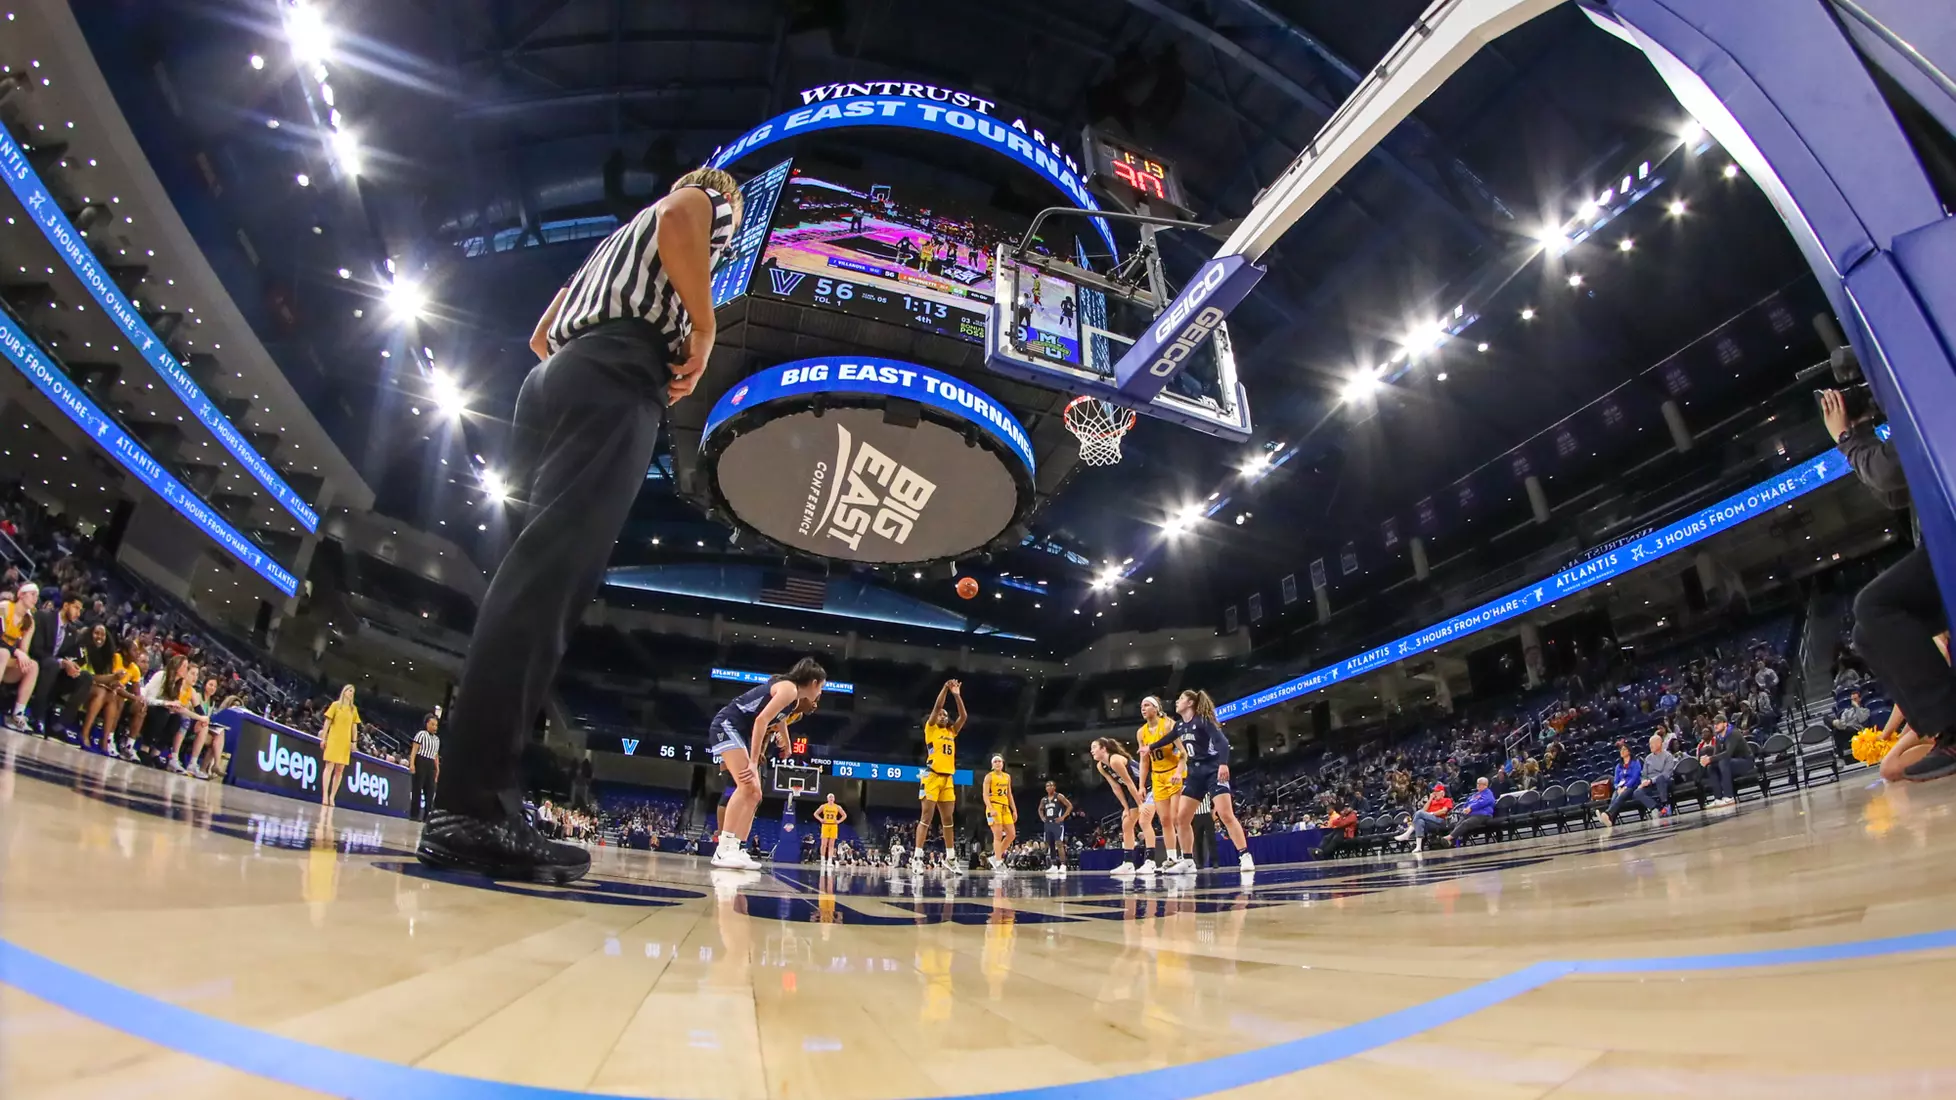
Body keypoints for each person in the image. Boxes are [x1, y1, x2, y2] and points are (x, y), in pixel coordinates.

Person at [420, 168, 744, 884]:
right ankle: (472, 807)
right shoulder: (707, 199)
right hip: (615, 372)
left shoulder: (607, 247)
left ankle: (470, 798)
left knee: (521, 585)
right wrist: (703, 322)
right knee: (545, 592)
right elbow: (683, 219)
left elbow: (544, 331)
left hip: (556, 374)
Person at [1822, 388, 1956, 781]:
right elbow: (1894, 492)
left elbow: (1887, 472)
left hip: (1948, 541)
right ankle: (1942, 729)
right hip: (1941, 543)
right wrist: (1860, 433)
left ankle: (1953, 724)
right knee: (1866, 635)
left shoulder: (1926, 400)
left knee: (1873, 605)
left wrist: (1848, 439)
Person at [704, 657, 826, 869]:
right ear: (814, 682)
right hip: (728, 725)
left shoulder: (794, 699)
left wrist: (786, 742)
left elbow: (777, 719)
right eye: (821, 687)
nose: (821, 693)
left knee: (756, 794)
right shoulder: (789, 689)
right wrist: (752, 762)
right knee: (746, 786)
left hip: (741, 731)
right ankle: (723, 849)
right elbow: (761, 720)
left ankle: (737, 847)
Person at [913, 680, 966, 872]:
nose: (944, 715)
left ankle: (951, 858)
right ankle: (917, 858)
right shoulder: (931, 728)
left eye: (946, 714)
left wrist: (957, 695)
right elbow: (937, 706)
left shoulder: (951, 731)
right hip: (932, 776)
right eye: (941, 714)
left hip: (947, 778)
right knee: (926, 817)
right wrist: (945, 689)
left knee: (948, 820)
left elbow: (964, 716)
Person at [1089, 736, 1153, 876]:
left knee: (1144, 821)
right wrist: (1125, 807)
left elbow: (1129, 782)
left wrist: (1141, 804)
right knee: (1126, 825)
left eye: (1094, 747)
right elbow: (1116, 787)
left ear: (1103, 749)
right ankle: (1128, 863)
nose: (1091, 751)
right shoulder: (1101, 766)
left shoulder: (1115, 760)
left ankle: (1151, 861)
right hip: (1133, 791)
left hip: (1147, 785)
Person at [1141, 695, 1188, 871]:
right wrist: (1141, 786)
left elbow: (1183, 753)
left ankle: (1186, 857)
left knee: (1177, 817)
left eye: (1147, 705)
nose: (1143, 709)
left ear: (1156, 708)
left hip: (1173, 773)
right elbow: (1144, 761)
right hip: (1157, 777)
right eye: (1142, 706)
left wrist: (1178, 772)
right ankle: (1171, 858)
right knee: (1165, 820)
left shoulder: (1169, 725)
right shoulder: (1141, 732)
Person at [0, 581, 40, 730]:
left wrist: (22, 654)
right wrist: (16, 652)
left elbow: (24, 650)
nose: (35, 598)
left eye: (37, 596)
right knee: (3, 653)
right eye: (32, 594)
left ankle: (17, 714)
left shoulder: (29, 622)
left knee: (32, 666)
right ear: (21, 595)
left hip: (5, 661)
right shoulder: (4, 607)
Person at [318, 685, 359, 805]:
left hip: (345, 742)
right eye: (350, 690)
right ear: (344, 692)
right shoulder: (335, 705)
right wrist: (324, 738)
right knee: (329, 766)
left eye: (353, 691)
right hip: (334, 739)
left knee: (339, 770)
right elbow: (327, 722)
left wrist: (354, 742)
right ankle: (325, 795)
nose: (351, 693)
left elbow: (354, 727)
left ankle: (332, 796)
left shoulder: (353, 709)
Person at [1208, 763, 1254, 871]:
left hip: (1213, 771)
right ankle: (1187, 859)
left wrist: (1223, 763)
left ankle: (1244, 853)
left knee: (1227, 816)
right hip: (1194, 770)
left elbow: (1222, 745)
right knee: (1181, 817)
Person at [1699, 718, 1751, 808]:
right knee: (1711, 766)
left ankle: (1729, 796)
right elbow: (1716, 754)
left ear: (1725, 724)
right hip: (1730, 763)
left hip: (1745, 762)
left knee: (1723, 762)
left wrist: (1710, 758)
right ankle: (1718, 798)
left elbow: (1728, 753)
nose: (1715, 725)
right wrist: (1707, 759)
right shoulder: (1719, 737)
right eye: (1714, 723)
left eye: (1718, 723)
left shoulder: (1734, 733)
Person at [1595, 740, 1643, 827]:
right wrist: (1618, 788)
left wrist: (1626, 786)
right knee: (1615, 796)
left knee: (1621, 795)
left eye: (1624, 749)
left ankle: (1607, 814)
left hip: (1632, 787)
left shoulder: (1635, 763)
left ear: (1629, 751)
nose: (1622, 751)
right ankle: (1610, 820)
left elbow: (1635, 777)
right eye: (1621, 750)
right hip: (1621, 788)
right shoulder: (1618, 766)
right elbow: (1616, 781)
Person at [1395, 783, 1454, 852]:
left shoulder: (1447, 800)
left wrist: (1432, 814)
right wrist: (1430, 799)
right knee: (1419, 822)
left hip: (1441, 821)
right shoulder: (1432, 801)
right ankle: (1418, 847)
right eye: (1434, 792)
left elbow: (1444, 811)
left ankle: (1407, 834)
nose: (1435, 793)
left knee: (1419, 813)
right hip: (1431, 823)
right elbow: (1424, 810)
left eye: (1437, 792)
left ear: (1442, 793)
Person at [982, 755, 1016, 873]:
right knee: (998, 836)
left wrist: (1014, 810)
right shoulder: (989, 777)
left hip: (1005, 807)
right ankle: (998, 861)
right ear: (992, 764)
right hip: (994, 806)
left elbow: (1009, 794)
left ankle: (995, 856)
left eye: (999, 761)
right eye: (995, 761)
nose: (997, 763)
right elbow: (985, 795)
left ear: (1003, 763)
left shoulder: (1007, 777)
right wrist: (990, 808)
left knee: (1011, 834)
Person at [1632, 733, 1678, 818]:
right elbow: (1644, 775)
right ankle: (1657, 808)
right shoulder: (1648, 758)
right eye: (1649, 744)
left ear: (1659, 743)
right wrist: (1643, 781)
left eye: (1651, 743)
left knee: (1660, 778)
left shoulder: (1668, 756)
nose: (1650, 746)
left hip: (1665, 782)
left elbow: (1666, 774)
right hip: (1650, 784)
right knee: (1637, 792)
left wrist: (1651, 780)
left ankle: (1665, 804)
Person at [1448, 778, 1499, 845]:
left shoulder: (1488, 794)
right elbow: (1467, 802)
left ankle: (1449, 838)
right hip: (1470, 814)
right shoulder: (1475, 795)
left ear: (1485, 785)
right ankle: (1452, 841)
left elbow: (1482, 802)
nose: (1477, 785)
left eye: (1479, 784)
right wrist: (1465, 808)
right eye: (1477, 783)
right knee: (1459, 823)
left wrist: (1471, 807)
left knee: (1466, 823)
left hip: (1483, 815)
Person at [1037, 781, 1072, 876]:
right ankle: (1053, 866)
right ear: (1045, 788)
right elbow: (1040, 809)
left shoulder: (1059, 796)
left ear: (1055, 787)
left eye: (1051, 785)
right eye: (1047, 785)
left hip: (1057, 823)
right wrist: (1042, 817)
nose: (1049, 787)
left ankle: (1063, 865)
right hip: (1048, 823)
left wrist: (1063, 817)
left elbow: (1069, 806)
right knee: (1050, 844)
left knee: (1059, 843)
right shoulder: (1044, 799)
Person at [411, 715, 441, 821]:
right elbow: (414, 749)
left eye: (436, 725)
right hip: (421, 761)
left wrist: (437, 769)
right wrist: (412, 764)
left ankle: (427, 816)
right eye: (432, 724)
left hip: (431, 764)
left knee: (430, 791)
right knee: (417, 789)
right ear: (427, 724)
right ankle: (414, 815)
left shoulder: (437, 739)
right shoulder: (421, 734)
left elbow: (435, 755)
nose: (435, 727)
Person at [1831, 690, 1873, 759]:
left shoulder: (1865, 710)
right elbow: (1843, 721)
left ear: (1860, 699)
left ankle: (1834, 723)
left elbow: (1861, 719)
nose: (1853, 701)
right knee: (1835, 730)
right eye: (1852, 700)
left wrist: (1857, 707)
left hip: (1857, 730)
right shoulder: (1847, 711)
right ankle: (1840, 755)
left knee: (1837, 727)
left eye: (1855, 699)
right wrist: (1842, 725)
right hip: (1846, 729)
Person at [815, 793, 846, 865]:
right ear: (827, 799)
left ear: (834, 799)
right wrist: (820, 819)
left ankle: (829, 860)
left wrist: (838, 821)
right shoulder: (823, 806)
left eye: (832, 797)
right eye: (830, 797)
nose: (831, 798)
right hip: (825, 825)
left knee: (831, 845)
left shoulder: (837, 807)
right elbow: (815, 814)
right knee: (823, 844)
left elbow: (844, 815)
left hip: (833, 826)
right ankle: (822, 859)